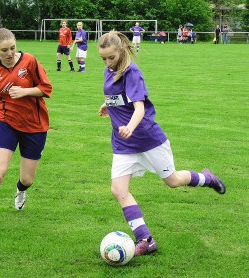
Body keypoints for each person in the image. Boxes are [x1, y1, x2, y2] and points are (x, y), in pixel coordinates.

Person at [97, 31, 226, 256]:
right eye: (103, 58)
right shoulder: (109, 71)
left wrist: (130, 126)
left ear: (122, 51)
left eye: (111, 58)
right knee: (118, 190)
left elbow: (139, 108)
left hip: (146, 138)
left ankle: (208, 178)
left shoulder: (132, 72)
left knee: (173, 181)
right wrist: (108, 105)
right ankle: (146, 239)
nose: (108, 63)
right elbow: (119, 95)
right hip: (123, 144)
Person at [0, 28, 53, 236]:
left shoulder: (30, 61)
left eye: (13, 48)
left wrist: (25, 91)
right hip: (7, 122)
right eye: (4, 49)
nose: (10, 53)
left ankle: (21, 190)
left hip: (35, 125)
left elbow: (46, 88)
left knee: (28, 179)